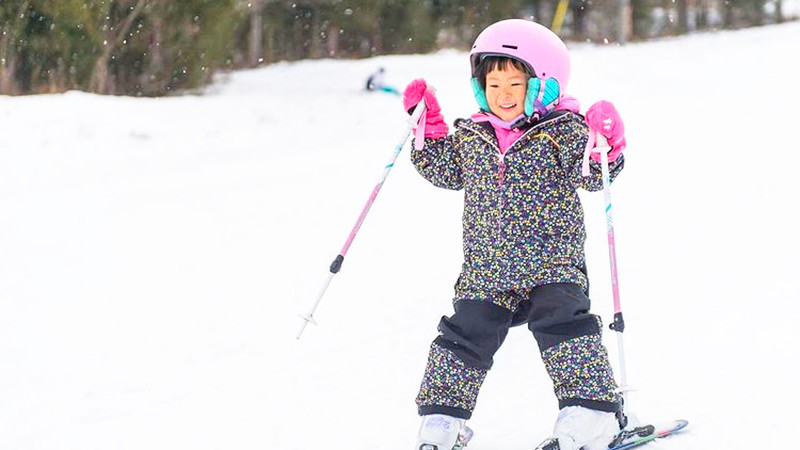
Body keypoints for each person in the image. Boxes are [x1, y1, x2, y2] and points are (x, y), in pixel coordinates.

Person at [402, 19, 628, 450]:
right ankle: (442, 419)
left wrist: (607, 144)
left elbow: (596, 175)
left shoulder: (563, 131)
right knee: (462, 336)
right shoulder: (472, 134)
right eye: (493, 83)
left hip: (552, 264)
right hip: (486, 269)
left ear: (543, 85)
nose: (502, 94)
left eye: (515, 83)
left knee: (564, 328)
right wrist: (428, 128)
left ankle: (591, 410)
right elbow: (442, 170)